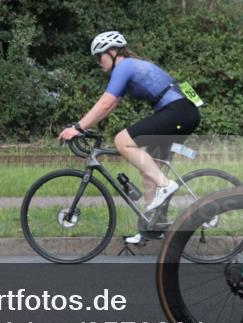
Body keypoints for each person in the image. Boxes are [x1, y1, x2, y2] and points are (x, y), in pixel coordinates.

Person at [58, 31, 201, 243]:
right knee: (148, 172)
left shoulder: (124, 66)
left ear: (113, 52)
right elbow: (110, 106)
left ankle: (166, 184)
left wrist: (78, 127)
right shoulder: (129, 67)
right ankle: (152, 228)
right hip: (181, 112)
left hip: (178, 112)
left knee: (122, 141)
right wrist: (83, 125)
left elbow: (105, 102)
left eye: (100, 56)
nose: (99, 62)